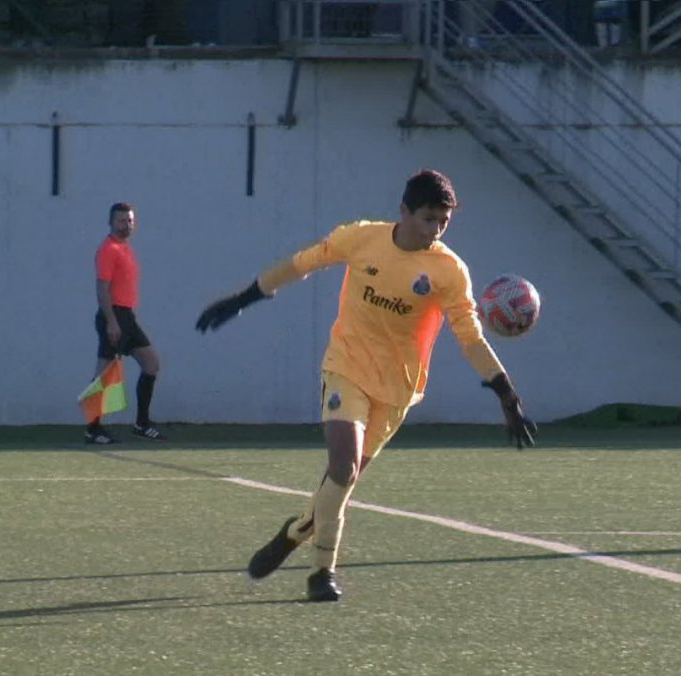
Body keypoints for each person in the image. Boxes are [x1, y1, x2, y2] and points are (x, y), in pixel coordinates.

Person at [195, 169, 537, 602]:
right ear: (404, 211)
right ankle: (322, 574)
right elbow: (302, 264)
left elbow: (469, 337)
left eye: (443, 222)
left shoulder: (449, 272)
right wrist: (243, 298)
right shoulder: (361, 238)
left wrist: (507, 395)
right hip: (346, 367)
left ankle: (296, 530)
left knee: (341, 483)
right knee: (343, 466)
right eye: (428, 218)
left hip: (398, 389)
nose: (436, 229)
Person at [86, 202, 168, 444]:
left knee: (151, 363)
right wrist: (112, 322)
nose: (127, 225)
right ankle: (93, 429)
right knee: (104, 374)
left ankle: (141, 424)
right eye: (122, 220)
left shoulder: (125, 248)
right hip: (114, 316)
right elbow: (102, 290)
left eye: (130, 220)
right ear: (111, 222)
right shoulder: (108, 249)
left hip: (128, 318)